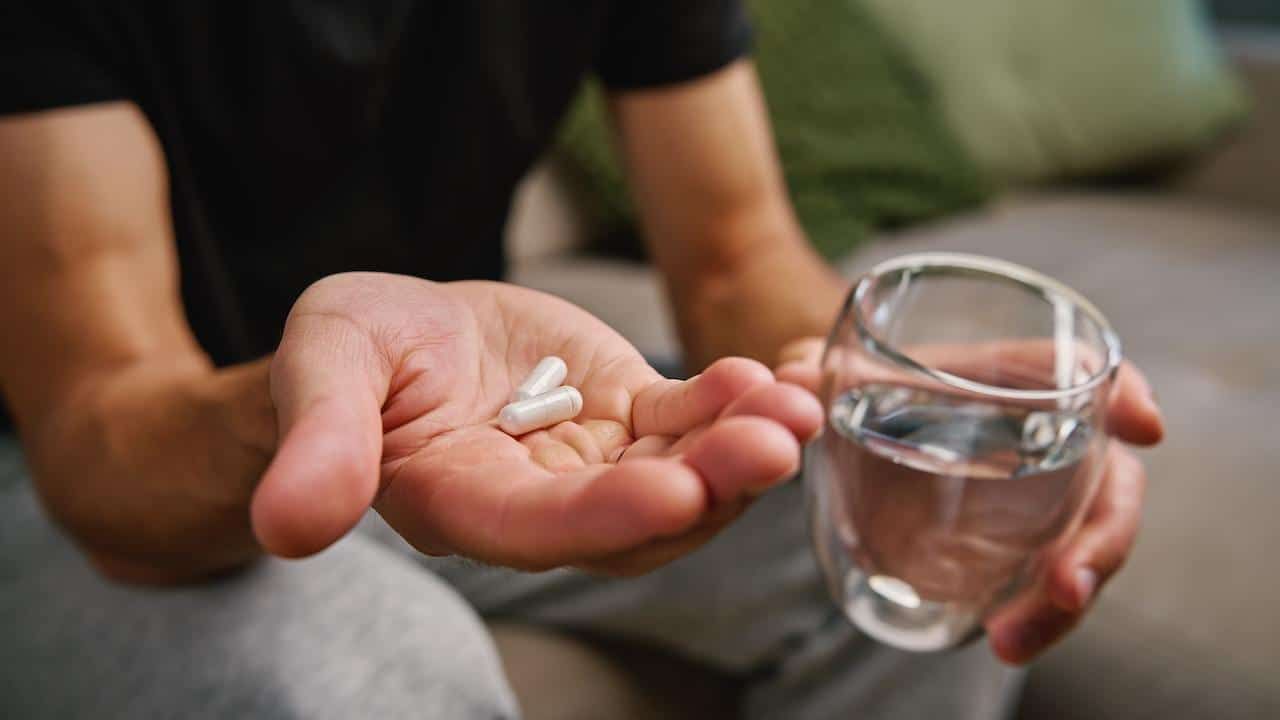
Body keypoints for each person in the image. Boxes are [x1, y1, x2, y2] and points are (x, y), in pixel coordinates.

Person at [0, 3, 1163, 718]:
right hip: (133, 461)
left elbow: (731, 255)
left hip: (472, 414)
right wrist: (306, 408)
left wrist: (898, 398)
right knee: (370, 673)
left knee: (925, 539)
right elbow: (98, 420)